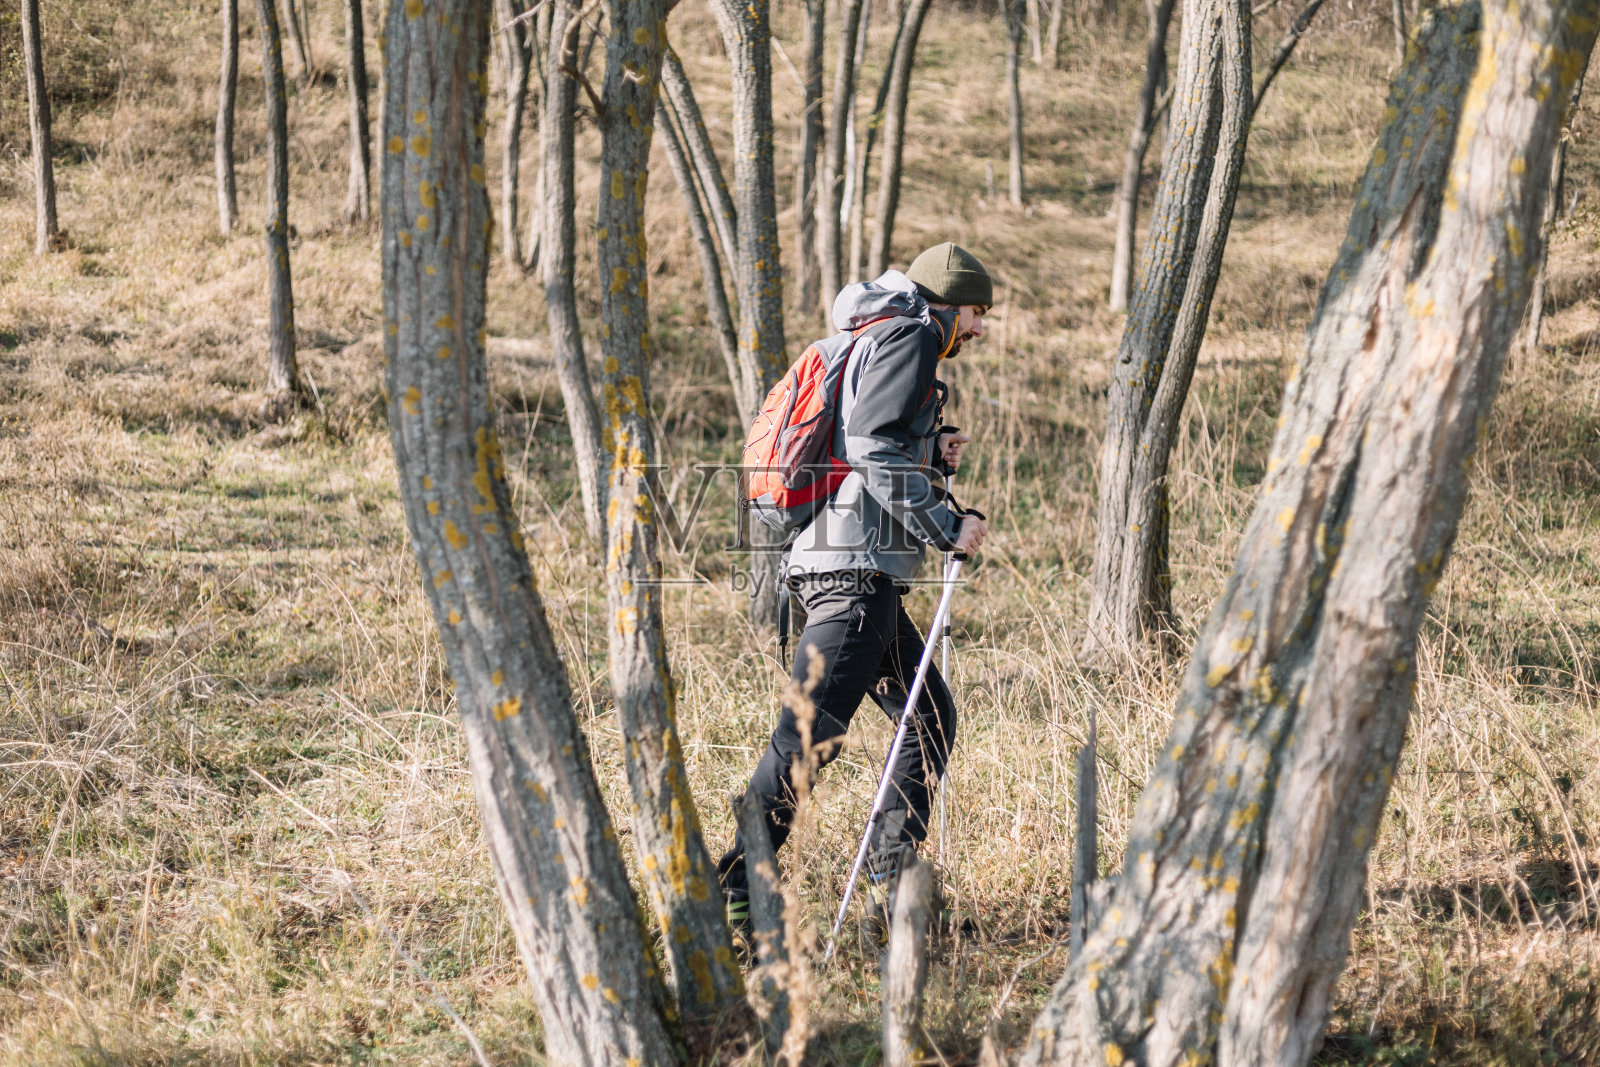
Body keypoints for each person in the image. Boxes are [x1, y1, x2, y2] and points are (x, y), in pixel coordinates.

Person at [719, 242, 992, 934]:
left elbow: (865, 441)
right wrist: (945, 523)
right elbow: (871, 446)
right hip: (854, 573)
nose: (981, 328)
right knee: (806, 737)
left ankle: (891, 882)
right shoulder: (910, 333)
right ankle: (730, 894)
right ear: (947, 305)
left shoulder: (873, 332)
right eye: (977, 311)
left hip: (850, 568)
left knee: (928, 716)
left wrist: (931, 453)